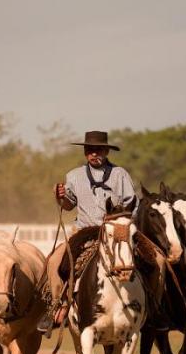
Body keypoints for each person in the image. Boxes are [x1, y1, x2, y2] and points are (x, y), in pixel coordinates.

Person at [37, 131, 137, 333]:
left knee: (148, 259)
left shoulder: (120, 175)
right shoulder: (73, 176)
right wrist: (61, 197)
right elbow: (68, 205)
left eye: (98, 149)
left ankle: (148, 306)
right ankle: (58, 306)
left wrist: (121, 226)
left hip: (115, 231)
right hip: (84, 231)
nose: (94, 154)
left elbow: (132, 206)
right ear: (85, 152)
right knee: (57, 261)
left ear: (107, 151)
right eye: (89, 150)